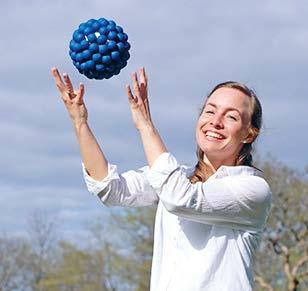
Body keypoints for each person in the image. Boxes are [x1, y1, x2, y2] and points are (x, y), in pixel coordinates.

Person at [51, 67, 272, 291]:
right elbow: (110, 189)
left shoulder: (253, 189)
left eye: (231, 116)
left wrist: (146, 125)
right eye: (210, 111)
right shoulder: (178, 177)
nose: (216, 122)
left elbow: (180, 198)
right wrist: (80, 123)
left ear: (249, 134)